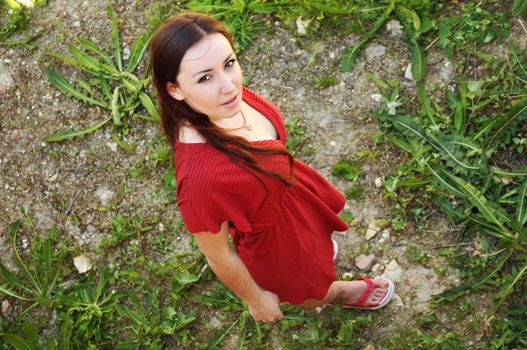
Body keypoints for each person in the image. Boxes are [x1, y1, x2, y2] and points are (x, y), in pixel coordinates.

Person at [149, 12, 395, 323]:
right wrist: (256, 299)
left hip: (288, 196)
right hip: (276, 243)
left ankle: (316, 250)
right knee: (308, 287)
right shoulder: (201, 178)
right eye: (205, 78)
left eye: (229, 63)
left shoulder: (223, 102)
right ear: (175, 89)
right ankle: (336, 293)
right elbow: (217, 254)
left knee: (317, 250)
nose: (229, 86)